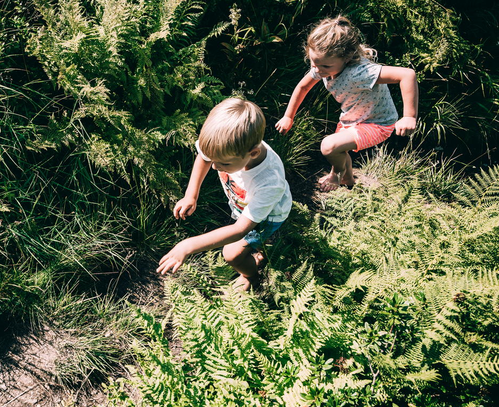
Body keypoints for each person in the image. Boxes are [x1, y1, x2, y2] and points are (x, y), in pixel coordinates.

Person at [157, 98, 292, 291]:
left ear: (253, 153)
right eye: (212, 159)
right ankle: (261, 251)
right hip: (244, 207)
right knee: (253, 245)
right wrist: (191, 194)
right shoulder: (228, 149)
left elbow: (240, 229)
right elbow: (203, 157)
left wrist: (188, 246)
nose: (214, 166)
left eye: (223, 164)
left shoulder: (269, 182)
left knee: (231, 254)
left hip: (267, 218)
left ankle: (251, 276)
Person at [275, 15, 419, 192]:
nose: (318, 71)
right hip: (352, 118)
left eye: (326, 67)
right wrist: (288, 116)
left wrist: (409, 116)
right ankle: (348, 179)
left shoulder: (361, 72)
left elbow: (407, 75)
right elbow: (303, 87)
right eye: (314, 62)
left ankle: (336, 175)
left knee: (329, 146)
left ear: (347, 57)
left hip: (377, 123)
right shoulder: (320, 66)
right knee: (339, 149)